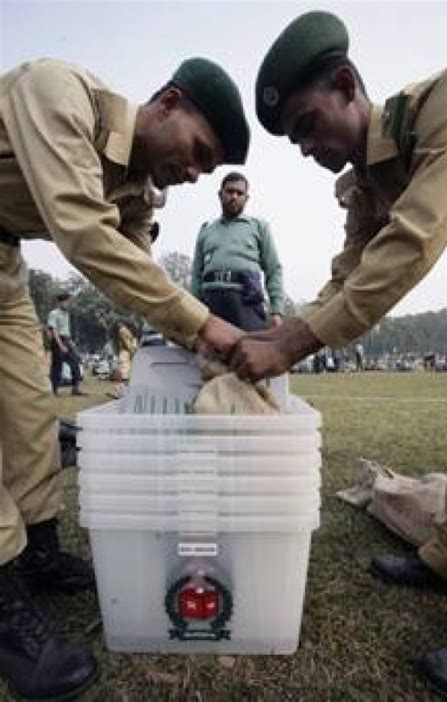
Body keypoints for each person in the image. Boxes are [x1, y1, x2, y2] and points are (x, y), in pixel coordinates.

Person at [228, 11, 447, 701]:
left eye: (307, 125)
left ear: (345, 85)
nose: (305, 147)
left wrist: (294, 344)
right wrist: (274, 338)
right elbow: (348, 273)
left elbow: (413, 243)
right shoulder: (365, 181)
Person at [0, 55, 249, 700]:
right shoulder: (56, 92)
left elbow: (141, 275)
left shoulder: (140, 187)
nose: (194, 174)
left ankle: (40, 553)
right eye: (198, 151)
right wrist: (206, 326)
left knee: (31, 414)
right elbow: (83, 232)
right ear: (165, 103)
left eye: (208, 168)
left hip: (3, 265)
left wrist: (205, 349)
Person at [190, 172, 284, 331]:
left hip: (246, 301)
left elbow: (273, 269)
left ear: (246, 198)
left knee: (249, 351)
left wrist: (276, 310)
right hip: (211, 302)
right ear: (220, 195)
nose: (234, 196)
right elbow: (196, 273)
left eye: (239, 193)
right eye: (230, 191)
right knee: (210, 352)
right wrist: (193, 309)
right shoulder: (206, 230)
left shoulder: (259, 227)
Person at [47, 291, 86, 396]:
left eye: (69, 302)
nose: (68, 304)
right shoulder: (53, 313)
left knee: (75, 362)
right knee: (57, 366)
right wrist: (60, 345)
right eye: (66, 302)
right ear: (60, 302)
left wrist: (70, 343)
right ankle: (54, 390)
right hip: (58, 341)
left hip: (67, 340)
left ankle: (75, 388)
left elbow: (66, 330)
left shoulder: (67, 314)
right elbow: (54, 330)